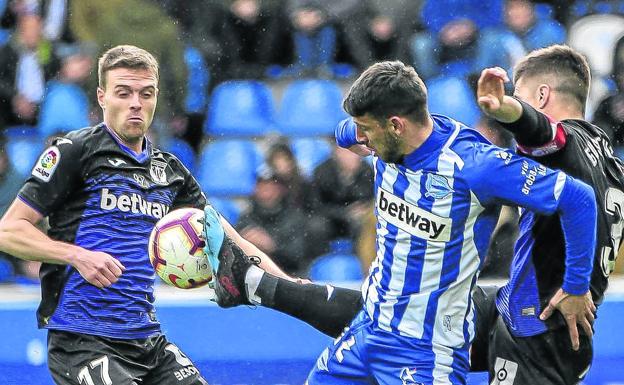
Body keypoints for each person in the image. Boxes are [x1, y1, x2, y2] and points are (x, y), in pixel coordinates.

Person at [207, 60, 598, 384]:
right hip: (367, 332)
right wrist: (353, 133)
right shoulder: (379, 137)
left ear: (396, 125)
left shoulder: (475, 167)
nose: (360, 138)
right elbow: (348, 133)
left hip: (428, 353)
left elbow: (579, 199)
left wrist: (576, 286)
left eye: (366, 129)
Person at [0, 44, 291, 385]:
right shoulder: (74, 151)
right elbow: (9, 230)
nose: (136, 103)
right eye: (123, 93)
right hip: (84, 340)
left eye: (145, 93)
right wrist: (77, 256)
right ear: (102, 97)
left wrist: (289, 287)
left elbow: (228, 237)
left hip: (147, 339)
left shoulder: (170, 171)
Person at [471, 44, 624, 385]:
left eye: (519, 93)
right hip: (530, 315)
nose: (517, 99)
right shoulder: (612, 165)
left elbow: (540, 129)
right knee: (416, 319)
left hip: (539, 332)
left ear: (541, 96)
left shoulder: (564, 145)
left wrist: (503, 107)